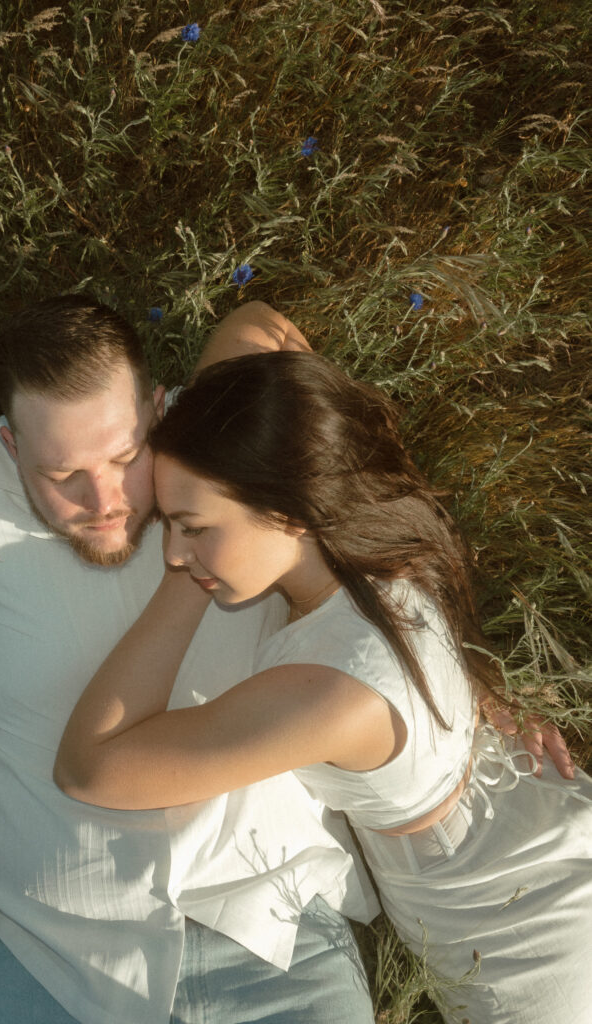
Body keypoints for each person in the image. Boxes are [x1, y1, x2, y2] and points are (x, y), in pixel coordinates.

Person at [55, 350, 592, 1024]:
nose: (173, 550)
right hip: (545, 837)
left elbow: (90, 767)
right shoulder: (377, 544)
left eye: (193, 528)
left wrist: (182, 584)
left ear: (291, 508)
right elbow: (249, 327)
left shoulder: (330, 693)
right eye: (170, 527)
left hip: (530, 955)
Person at [0, 296, 380, 1024]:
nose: (104, 501)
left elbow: (258, 320)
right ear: (10, 445)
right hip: (43, 946)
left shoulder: (228, 446)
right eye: (63, 476)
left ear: (159, 410)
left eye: (125, 458)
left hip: (268, 920)